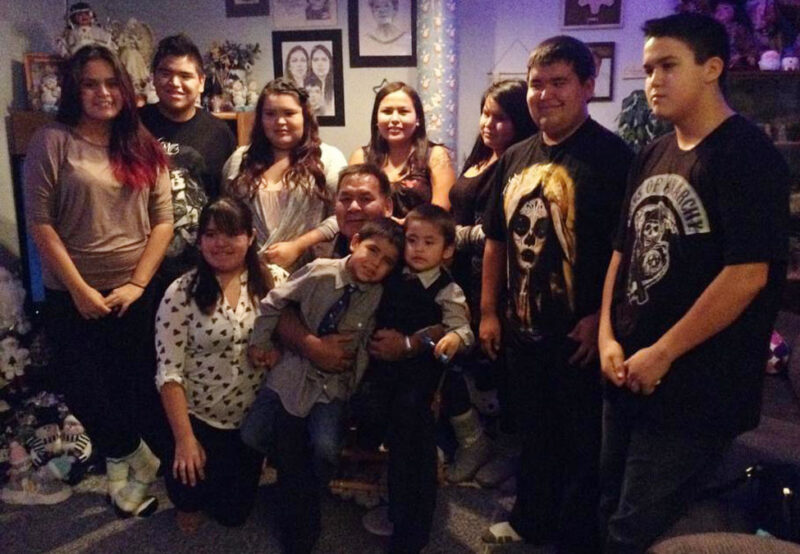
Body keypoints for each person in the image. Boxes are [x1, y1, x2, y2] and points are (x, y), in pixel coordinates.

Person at [598, 13, 790, 553]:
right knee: (607, 501)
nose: (653, 81)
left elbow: (747, 274)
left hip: (695, 385)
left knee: (637, 527)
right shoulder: (652, 152)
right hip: (627, 367)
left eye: (668, 66)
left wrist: (663, 353)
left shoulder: (747, 155)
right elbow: (622, 251)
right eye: (648, 69)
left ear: (712, 68)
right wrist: (607, 335)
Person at [479, 36, 633, 551]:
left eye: (559, 82)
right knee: (533, 435)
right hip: (522, 330)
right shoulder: (514, 157)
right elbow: (497, 241)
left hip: (580, 335)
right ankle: (530, 522)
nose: (544, 94)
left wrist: (601, 319)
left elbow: (628, 252)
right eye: (536, 84)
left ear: (588, 86)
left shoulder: (615, 158)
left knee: (583, 444)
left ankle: (573, 540)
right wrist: (489, 311)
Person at [24, 45, 173, 517]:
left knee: (128, 386)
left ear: (124, 89)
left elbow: (163, 221)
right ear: (75, 89)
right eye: (90, 83)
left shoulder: (142, 143)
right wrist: (79, 290)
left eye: (111, 83)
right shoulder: (52, 141)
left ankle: (121, 486)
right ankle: (140, 457)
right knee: (84, 389)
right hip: (72, 293)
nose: (102, 92)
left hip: (133, 292)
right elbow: (40, 223)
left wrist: (138, 284)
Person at [241, 218, 404, 554]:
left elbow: (365, 344)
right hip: (293, 372)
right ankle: (293, 476)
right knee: (252, 434)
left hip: (332, 385)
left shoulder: (377, 295)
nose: (375, 263)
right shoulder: (320, 272)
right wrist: (261, 342)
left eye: (387, 261)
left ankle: (306, 487)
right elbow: (275, 302)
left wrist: (354, 381)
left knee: (325, 447)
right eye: (372, 250)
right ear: (355, 242)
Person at [155, 197, 286, 533]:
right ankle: (186, 486)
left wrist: (276, 353)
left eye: (232, 233)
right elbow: (169, 372)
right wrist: (184, 438)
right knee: (188, 498)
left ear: (251, 237)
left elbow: (298, 337)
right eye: (211, 234)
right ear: (199, 240)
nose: (221, 243)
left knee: (233, 515)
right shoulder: (180, 292)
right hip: (196, 417)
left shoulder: (275, 281)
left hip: (250, 420)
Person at [358, 204, 473, 553]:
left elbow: (462, 329)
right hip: (379, 371)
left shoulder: (446, 289)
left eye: (429, 242)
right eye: (412, 240)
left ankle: (410, 525)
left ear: (447, 250)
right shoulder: (393, 273)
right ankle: (388, 494)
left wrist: (446, 339)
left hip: (417, 377)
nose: (418, 249)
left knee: (410, 432)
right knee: (372, 413)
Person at [444, 79, 537, 485]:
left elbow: (499, 233)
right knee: (466, 363)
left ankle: (508, 452)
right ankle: (477, 441)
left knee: (497, 366)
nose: (489, 124)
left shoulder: (516, 164)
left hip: (496, 277)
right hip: (461, 274)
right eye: (485, 114)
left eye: (501, 117)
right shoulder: (481, 157)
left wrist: (448, 237)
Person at [140, 34, 237, 290]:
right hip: (137, 266)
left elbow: (225, 200)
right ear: (153, 78)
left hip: (200, 266)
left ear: (201, 82)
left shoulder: (220, 133)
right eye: (165, 73)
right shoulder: (132, 126)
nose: (175, 83)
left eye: (185, 75)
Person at [223, 78, 347, 271]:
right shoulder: (239, 160)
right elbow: (227, 216)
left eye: (289, 113)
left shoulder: (328, 158)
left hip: (308, 273)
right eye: (270, 114)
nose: (280, 122)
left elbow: (342, 216)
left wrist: (298, 245)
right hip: (250, 272)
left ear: (305, 116)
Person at [350, 81, 456, 218]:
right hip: (372, 231)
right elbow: (352, 208)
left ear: (418, 119)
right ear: (376, 118)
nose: (394, 119)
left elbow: (440, 214)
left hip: (422, 230)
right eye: (387, 112)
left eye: (403, 112)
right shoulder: (360, 157)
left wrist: (404, 224)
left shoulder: (436, 155)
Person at [306, 44, 334, 116]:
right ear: (311, 64)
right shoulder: (305, 87)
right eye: (316, 60)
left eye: (324, 59)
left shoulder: (336, 87)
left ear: (330, 63)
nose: (320, 64)